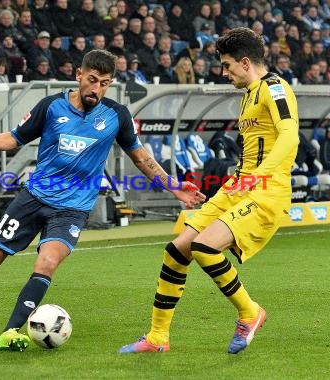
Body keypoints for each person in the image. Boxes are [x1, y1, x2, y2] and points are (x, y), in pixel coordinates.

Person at [0, 50, 205, 350]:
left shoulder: (117, 116)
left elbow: (142, 159)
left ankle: (10, 331)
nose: (96, 89)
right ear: (78, 75)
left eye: (104, 83)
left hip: (72, 209)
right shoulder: (51, 106)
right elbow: (15, 138)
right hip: (33, 199)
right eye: (91, 80)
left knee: (47, 262)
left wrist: (174, 187)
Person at [119, 27, 300, 355]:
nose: (224, 73)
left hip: (265, 190)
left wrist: (258, 177)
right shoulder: (249, 95)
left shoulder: (275, 89)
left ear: (246, 63)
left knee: (204, 246)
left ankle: (250, 312)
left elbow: (289, 137)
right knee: (177, 251)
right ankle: (157, 337)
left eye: (228, 66)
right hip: (239, 186)